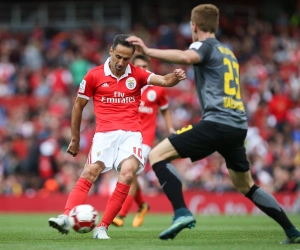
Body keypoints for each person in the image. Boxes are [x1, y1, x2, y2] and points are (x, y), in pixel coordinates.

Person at [126, 4, 300, 244]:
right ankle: (292, 231)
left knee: (156, 155)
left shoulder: (203, 46)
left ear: (194, 26)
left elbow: (188, 57)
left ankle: (182, 213)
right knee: (246, 185)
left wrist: (148, 51)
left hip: (216, 123)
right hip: (237, 127)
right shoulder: (228, 53)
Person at [48, 34, 186, 240]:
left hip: (131, 133)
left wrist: (174, 77)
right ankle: (66, 217)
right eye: (118, 57)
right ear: (111, 51)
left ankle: (102, 227)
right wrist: (75, 139)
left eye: (126, 59)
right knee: (90, 172)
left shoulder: (138, 74)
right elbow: (78, 106)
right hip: (104, 134)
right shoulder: (94, 75)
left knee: (128, 174)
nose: (121, 62)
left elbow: (164, 80)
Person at [112, 54, 175, 228]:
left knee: (129, 174)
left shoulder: (158, 89)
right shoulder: (126, 86)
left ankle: (121, 215)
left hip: (145, 139)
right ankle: (142, 206)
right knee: (130, 175)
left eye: (144, 66)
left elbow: (166, 110)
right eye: (137, 65)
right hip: (126, 137)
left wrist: (170, 128)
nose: (140, 68)